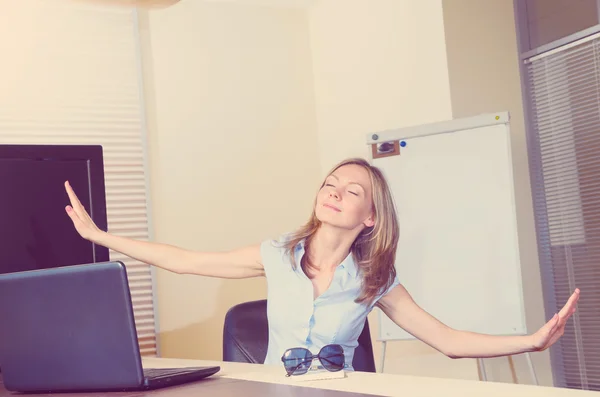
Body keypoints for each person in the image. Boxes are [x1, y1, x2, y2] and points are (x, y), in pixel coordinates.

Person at [64, 157, 580, 370]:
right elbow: (184, 261)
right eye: (330, 184)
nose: (335, 193)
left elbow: (446, 340)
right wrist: (101, 236)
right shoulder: (276, 255)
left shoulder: (377, 280)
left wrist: (529, 341)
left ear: (370, 217)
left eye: (351, 191)